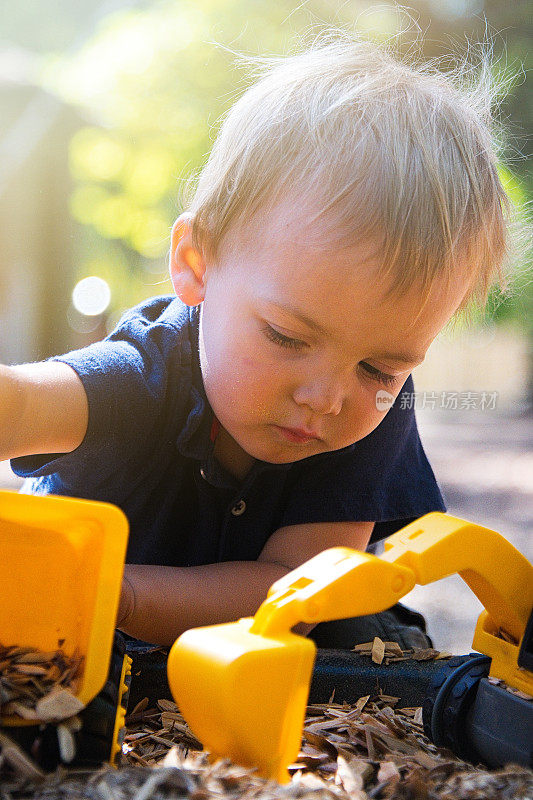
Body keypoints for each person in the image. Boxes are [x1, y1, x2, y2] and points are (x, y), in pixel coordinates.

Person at [0, 35, 512, 649]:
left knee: (376, 633)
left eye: (379, 368)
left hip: (233, 639)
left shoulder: (374, 417)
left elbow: (293, 589)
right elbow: (22, 407)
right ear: (197, 264)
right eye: (287, 336)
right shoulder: (148, 368)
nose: (328, 398)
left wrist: (111, 592)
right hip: (64, 638)